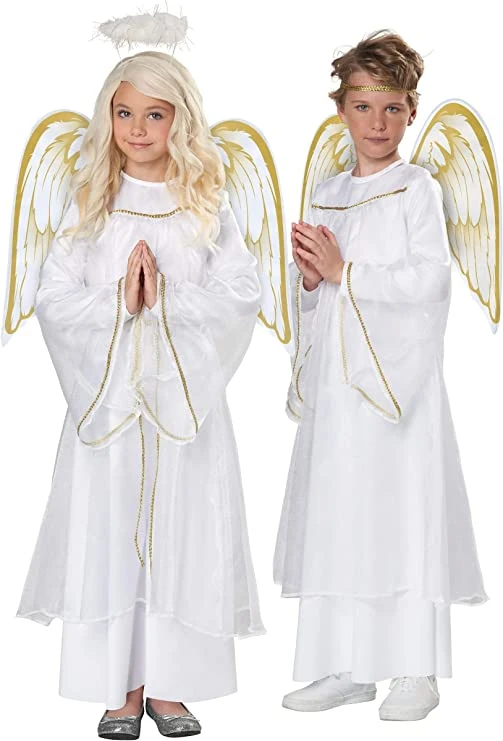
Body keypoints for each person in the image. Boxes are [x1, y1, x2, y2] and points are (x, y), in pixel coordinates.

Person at [16, 50, 264, 739]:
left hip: (183, 408)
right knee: (114, 534)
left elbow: (241, 293)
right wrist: (119, 300)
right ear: (109, 117)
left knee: (181, 534)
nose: (137, 128)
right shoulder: (91, 207)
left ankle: (172, 686)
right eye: (124, 113)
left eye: (155, 115)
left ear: (180, 120)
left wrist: (169, 298)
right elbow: (52, 297)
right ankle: (121, 688)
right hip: (112, 410)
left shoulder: (204, 209)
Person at [274, 30, 487, 722]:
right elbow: (313, 293)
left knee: (399, 514)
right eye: (363, 106)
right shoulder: (328, 192)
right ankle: (345, 664)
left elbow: (429, 282)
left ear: (411, 112)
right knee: (340, 515)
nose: (377, 123)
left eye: (392, 108)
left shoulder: (415, 189)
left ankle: (413, 667)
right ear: (340, 109)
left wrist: (346, 273)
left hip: (398, 390)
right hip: (340, 390)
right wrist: (312, 284)